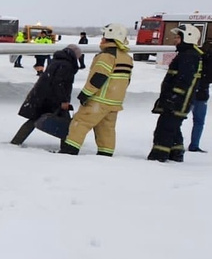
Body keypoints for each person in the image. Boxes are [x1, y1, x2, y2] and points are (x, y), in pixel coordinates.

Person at [60, 23, 134, 156]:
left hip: (99, 100)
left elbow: (98, 77)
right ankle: (105, 154)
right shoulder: (127, 58)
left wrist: (85, 94)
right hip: (114, 102)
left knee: (80, 123)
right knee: (106, 129)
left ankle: (68, 151)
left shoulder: (106, 56)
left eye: (104, 36)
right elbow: (127, 81)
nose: (102, 39)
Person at [148, 24, 205, 162]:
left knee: (164, 129)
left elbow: (184, 81)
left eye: (178, 37)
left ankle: (159, 157)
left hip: (178, 103)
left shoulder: (189, 56)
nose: (174, 40)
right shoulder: (187, 55)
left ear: (187, 38)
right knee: (173, 128)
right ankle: (176, 154)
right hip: (176, 101)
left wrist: (173, 98)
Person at [11, 44, 82, 145]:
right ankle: (67, 147)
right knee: (66, 122)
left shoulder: (56, 61)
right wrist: (63, 100)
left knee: (34, 118)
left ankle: (16, 141)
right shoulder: (66, 65)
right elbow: (59, 83)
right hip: (53, 98)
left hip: (43, 96)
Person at [188, 42, 212, 153]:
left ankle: (173, 141)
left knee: (179, 118)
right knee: (199, 121)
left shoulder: (195, 56)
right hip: (202, 93)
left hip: (190, 90)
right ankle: (194, 144)